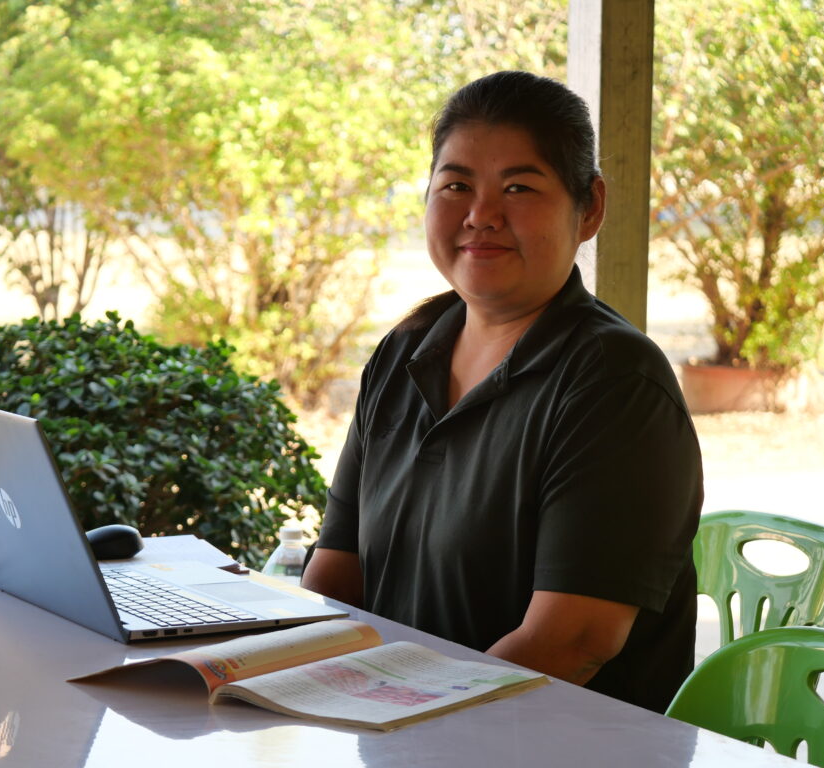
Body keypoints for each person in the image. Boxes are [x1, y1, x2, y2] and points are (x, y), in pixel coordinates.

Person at [301, 70, 703, 714]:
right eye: (456, 186)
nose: (480, 215)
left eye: (518, 187)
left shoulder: (616, 383)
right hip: (396, 730)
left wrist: (403, 723)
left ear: (590, 208)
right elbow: (335, 577)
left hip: (555, 744)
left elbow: (570, 643)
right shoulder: (405, 351)